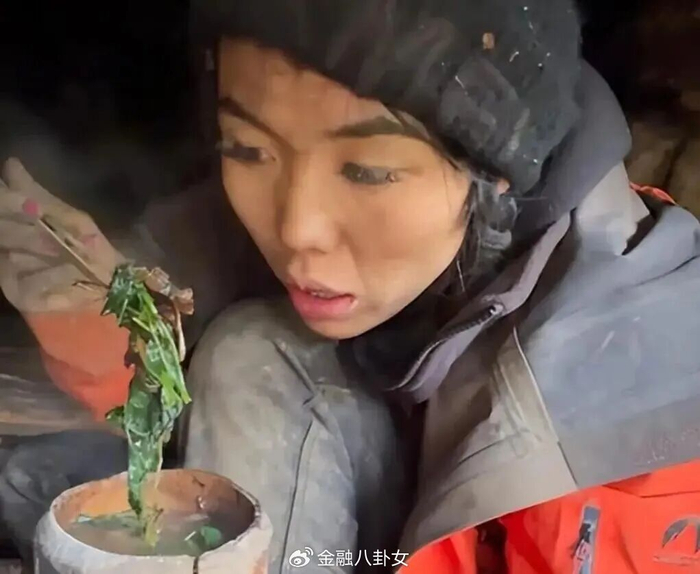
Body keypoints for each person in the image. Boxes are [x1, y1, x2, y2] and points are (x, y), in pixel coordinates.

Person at [1, 1, 700, 572]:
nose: (295, 228)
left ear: (495, 172)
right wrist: (88, 311)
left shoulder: (627, 410)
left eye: (367, 170)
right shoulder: (240, 222)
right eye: (249, 148)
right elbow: (156, 322)